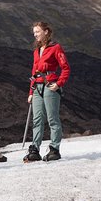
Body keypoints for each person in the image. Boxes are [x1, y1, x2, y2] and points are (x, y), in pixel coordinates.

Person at [24, 21, 71, 162]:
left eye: (37, 32)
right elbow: (34, 71)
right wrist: (31, 92)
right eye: (34, 33)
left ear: (46, 31)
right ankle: (34, 150)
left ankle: (54, 149)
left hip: (50, 86)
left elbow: (66, 68)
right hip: (37, 87)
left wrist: (58, 83)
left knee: (52, 119)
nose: (35, 35)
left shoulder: (56, 48)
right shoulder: (36, 51)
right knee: (37, 119)